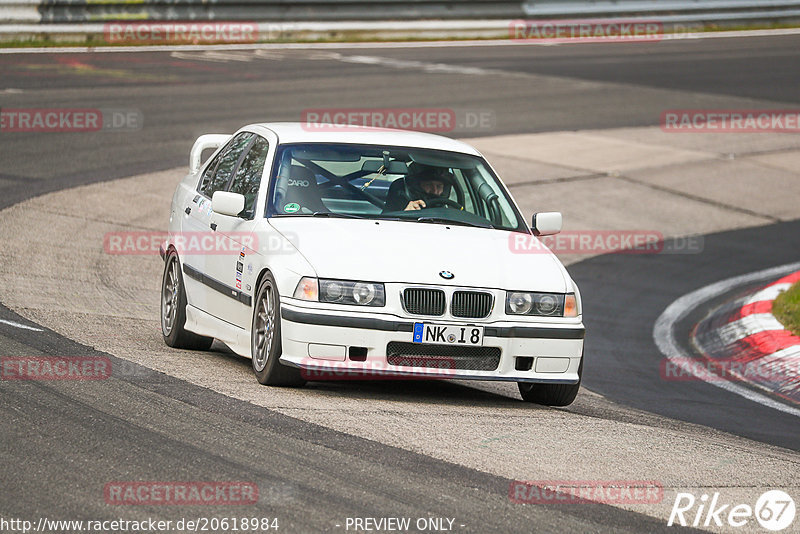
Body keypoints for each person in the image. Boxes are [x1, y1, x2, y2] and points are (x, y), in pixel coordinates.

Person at [382, 162, 454, 212]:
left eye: (439, 186)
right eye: (429, 185)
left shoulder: (451, 211)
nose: (434, 191)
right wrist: (406, 215)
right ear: (416, 186)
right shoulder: (399, 205)